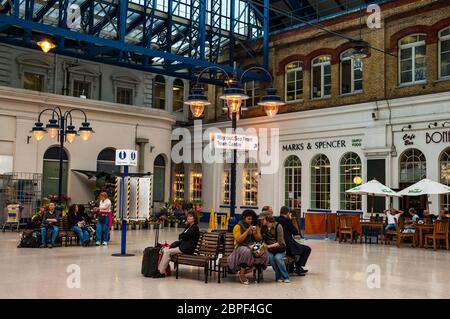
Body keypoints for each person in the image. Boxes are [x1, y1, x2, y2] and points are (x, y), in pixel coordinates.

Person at [227, 209, 269, 285]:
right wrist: (247, 231)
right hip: (240, 247)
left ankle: (247, 271)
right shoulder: (238, 226)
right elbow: (239, 240)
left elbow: (259, 239)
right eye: (248, 219)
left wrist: (255, 233)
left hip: (251, 245)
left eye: (251, 219)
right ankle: (242, 273)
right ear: (243, 218)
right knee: (247, 252)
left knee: (264, 251)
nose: (250, 221)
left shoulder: (254, 226)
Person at [154, 211, 200, 278]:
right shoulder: (188, 226)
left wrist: (183, 236)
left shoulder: (195, 228)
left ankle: (160, 272)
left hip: (187, 249)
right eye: (188, 216)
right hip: (183, 246)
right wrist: (183, 236)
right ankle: (160, 271)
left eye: (191, 216)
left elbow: (185, 236)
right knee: (165, 250)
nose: (188, 217)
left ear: (194, 218)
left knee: (167, 252)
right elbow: (182, 236)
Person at [277, 206, 311, 276]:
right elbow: (295, 232)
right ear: (288, 213)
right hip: (289, 245)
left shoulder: (277, 220)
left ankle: (294, 267)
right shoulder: (287, 221)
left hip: (282, 244)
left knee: (300, 247)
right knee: (307, 249)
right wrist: (290, 220)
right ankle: (298, 267)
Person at [260, 214, 289, 283]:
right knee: (271, 259)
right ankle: (278, 276)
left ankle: (285, 277)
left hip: (280, 249)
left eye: (264, 220)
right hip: (270, 250)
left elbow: (280, 242)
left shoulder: (278, 226)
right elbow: (262, 239)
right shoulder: (263, 227)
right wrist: (263, 244)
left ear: (270, 221)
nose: (262, 221)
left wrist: (268, 246)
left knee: (277, 258)